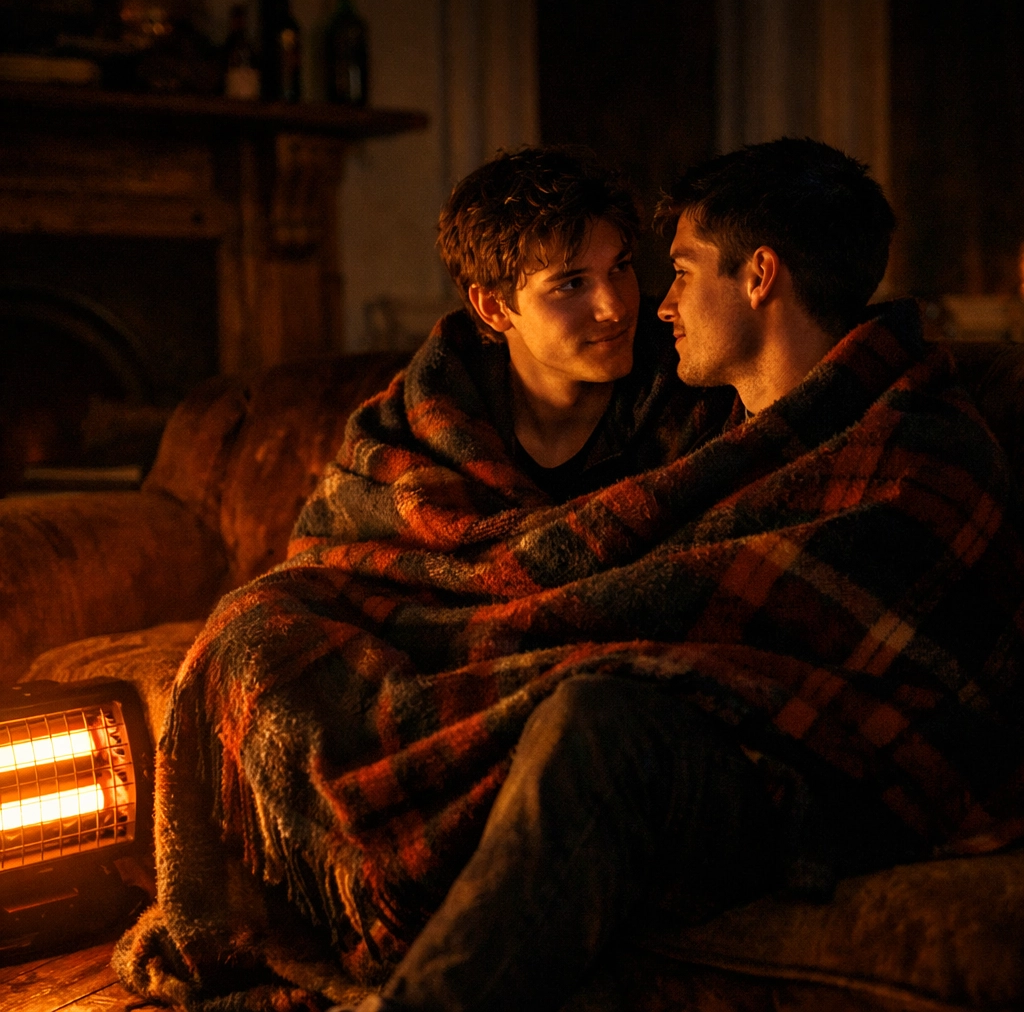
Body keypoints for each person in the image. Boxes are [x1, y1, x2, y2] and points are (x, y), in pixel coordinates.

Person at [116, 140, 1024, 1012]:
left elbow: (896, 660)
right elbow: (603, 591)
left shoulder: (904, 440)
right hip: (673, 718)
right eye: (577, 283)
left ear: (758, 277)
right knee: (265, 627)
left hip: (797, 766)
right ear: (494, 306)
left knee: (598, 719)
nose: (645, 306)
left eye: (662, 269)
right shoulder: (723, 437)